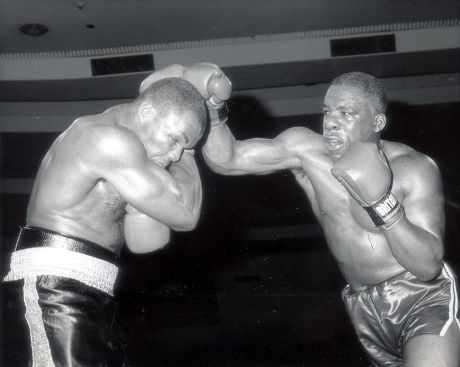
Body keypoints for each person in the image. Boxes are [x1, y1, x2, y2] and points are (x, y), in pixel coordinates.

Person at [200, 71, 460, 366]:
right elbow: (227, 160)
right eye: (327, 111)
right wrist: (212, 111)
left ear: (377, 123)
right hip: (362, 307)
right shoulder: (305, 149)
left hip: (421, 298)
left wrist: (380, 202)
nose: (330, 122)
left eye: (346, 113)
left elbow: (427, 266)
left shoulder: (413, 167)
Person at [1, 68, 231, 367]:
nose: (174, 154)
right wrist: (192, 149)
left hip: (87, 289)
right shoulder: (106, 139)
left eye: (181, 148)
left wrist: (188, 135)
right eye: (174, 139)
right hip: (53, 286)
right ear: (146, 110)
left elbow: (143, 242)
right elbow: (185, 215)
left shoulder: (129, 147)